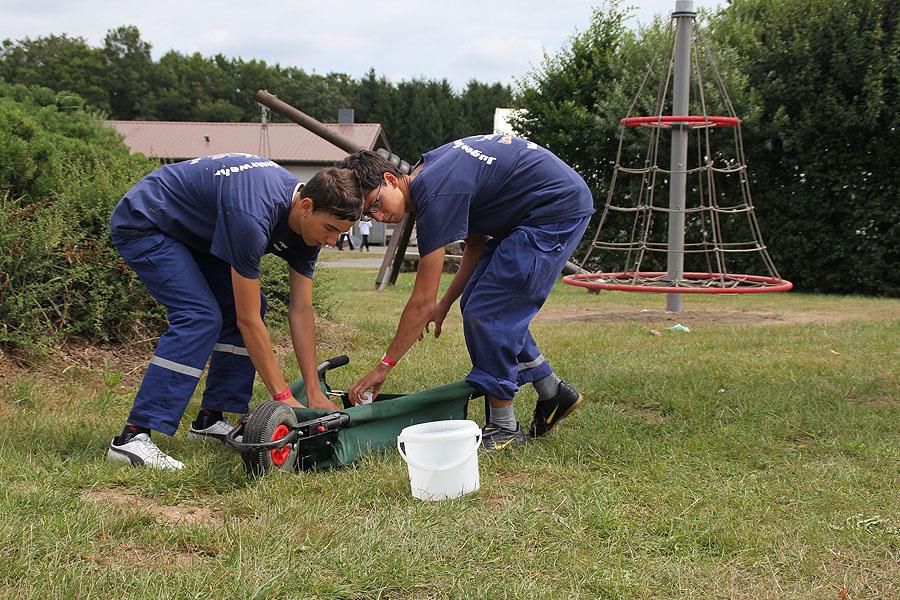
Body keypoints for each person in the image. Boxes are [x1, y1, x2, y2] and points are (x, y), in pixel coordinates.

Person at [106, 153, 362, 470]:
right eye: (329, 229)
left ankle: (210, 421)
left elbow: (301, 310)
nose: (332, 240)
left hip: (194, 234)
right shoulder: (252, 217)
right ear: (306, 206)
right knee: (200, 316)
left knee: (245, 306)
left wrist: (313, 390)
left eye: (341, 233)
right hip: (147, 221)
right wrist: (283, 397)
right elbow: (248, 321)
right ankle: (132, 438)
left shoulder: (309, 229)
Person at [340, 135, 595, 452]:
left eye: (375, 204)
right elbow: (476, 241)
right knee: (478, 302)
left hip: (554, 209)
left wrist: (383, 367)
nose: (378, 217)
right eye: (368, 214)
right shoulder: (428, 170)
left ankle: (503, 426)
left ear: (390, 179)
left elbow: (420, 303)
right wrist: (446, 304)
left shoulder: (435, 192)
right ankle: (553, 391)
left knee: (489, 312)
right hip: (531, 210)